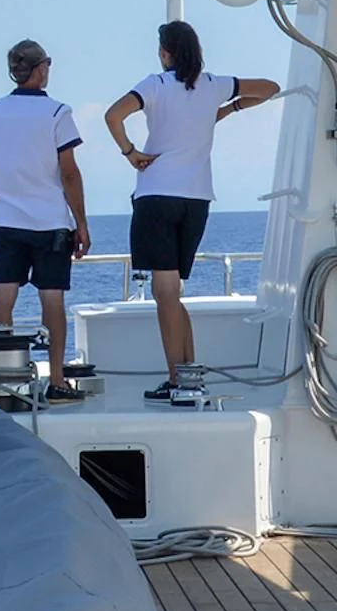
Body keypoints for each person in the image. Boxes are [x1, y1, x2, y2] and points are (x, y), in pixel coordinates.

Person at [105, 20, 279, 401]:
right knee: (174, 293)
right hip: (197, 200)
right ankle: (189, 373)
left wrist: (130, 153)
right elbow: (270, 88)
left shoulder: (154, 84)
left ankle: (177, 381)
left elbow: (113, 116)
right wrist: (230, 108)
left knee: (164, 292)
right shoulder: (214, 85)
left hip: (156, 195)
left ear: (165, 53)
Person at [0, 38, 91, 379]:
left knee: (4, 293)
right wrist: (81, 223)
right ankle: (56, 379)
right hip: (50, 223)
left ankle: (0, 377)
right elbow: (69, 174)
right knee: (52, 299)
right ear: (41, 69)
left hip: (7, 221)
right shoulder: (57, 112)